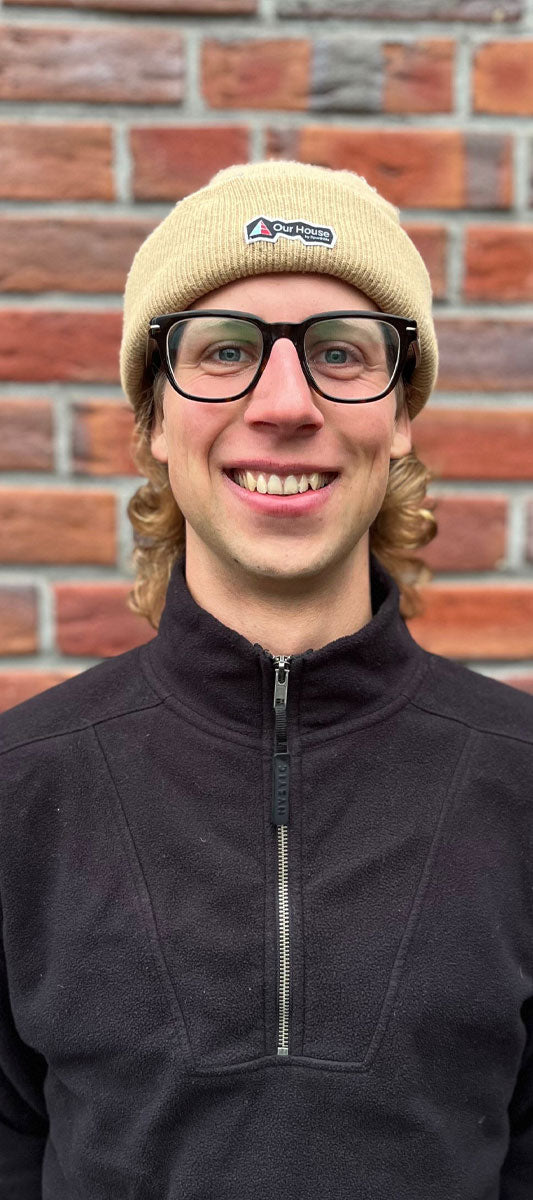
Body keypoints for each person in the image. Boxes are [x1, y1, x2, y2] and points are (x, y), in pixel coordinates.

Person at [1, 160, 533, 1200]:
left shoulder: (520, 787)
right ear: (152, 420)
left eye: (338, 353)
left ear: (401, 415)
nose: (282, 404)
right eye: (225, 352)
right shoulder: (22, 792)